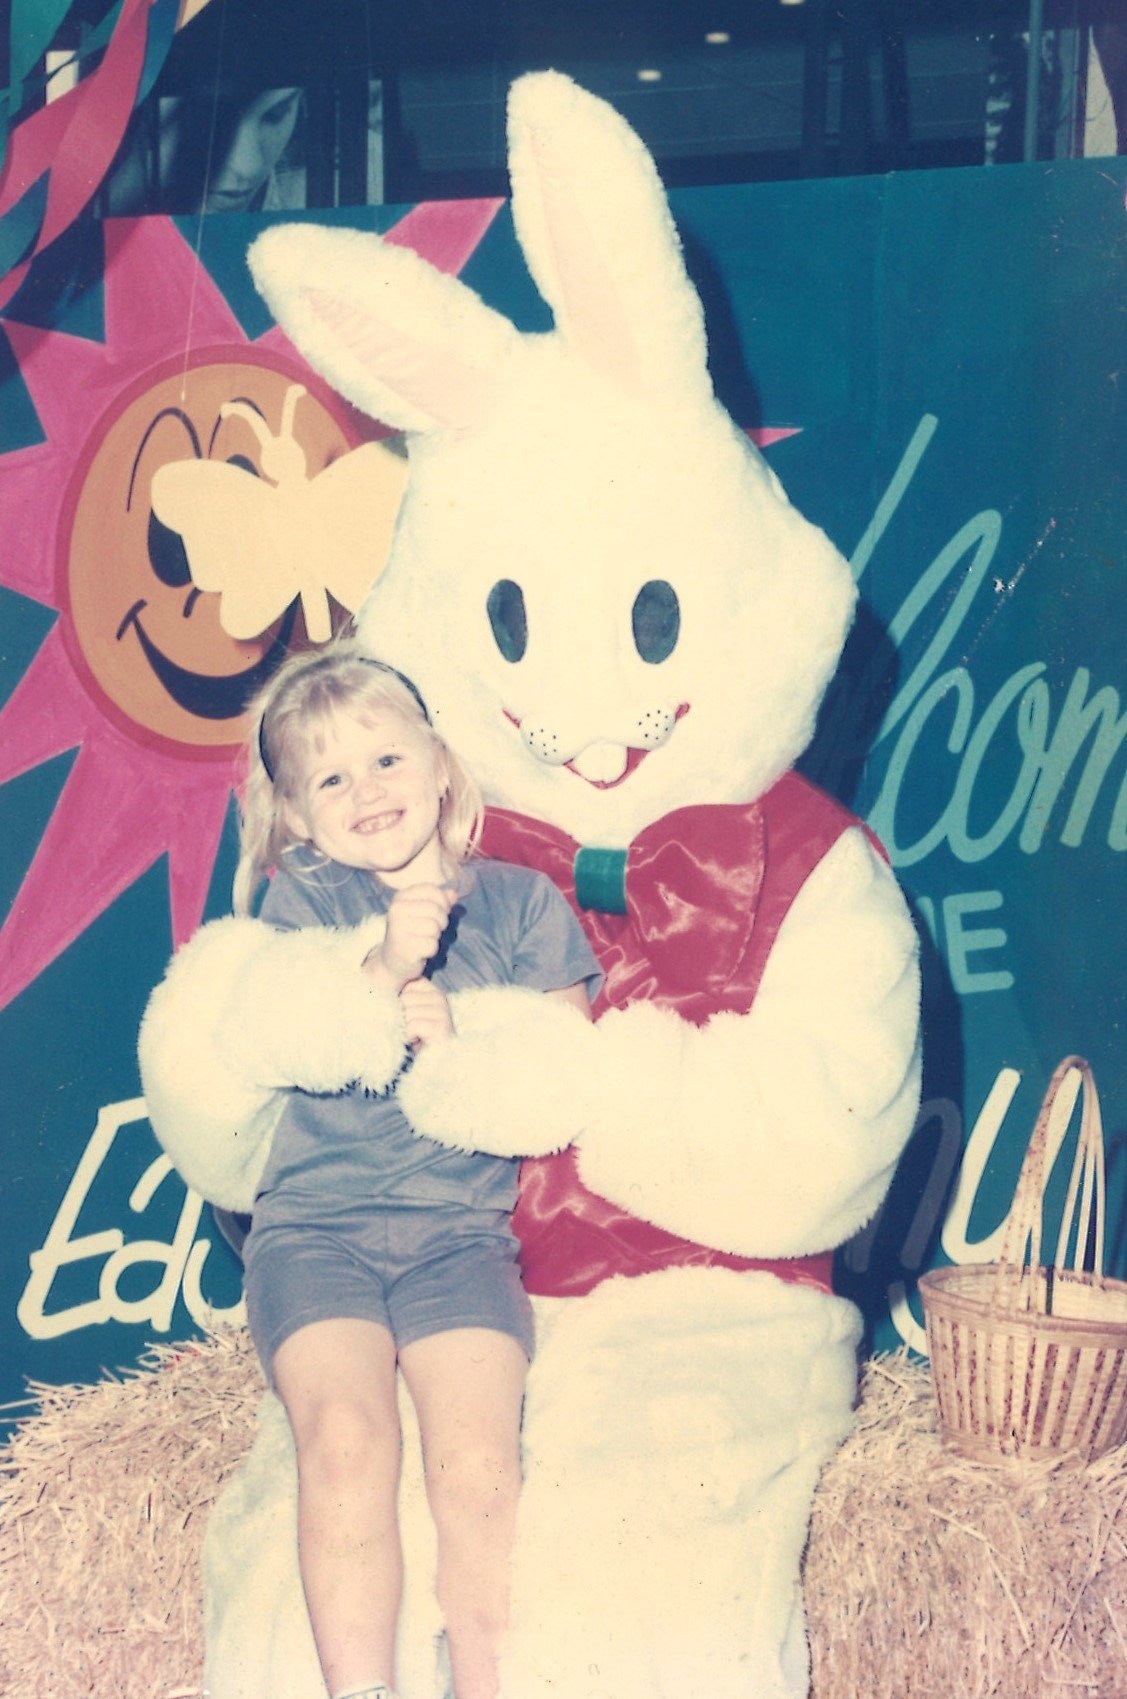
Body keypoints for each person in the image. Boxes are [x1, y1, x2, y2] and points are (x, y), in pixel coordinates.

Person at [234, 645, 601, 1699]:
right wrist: (382, 968)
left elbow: (560, 1077)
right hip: (316, 1235)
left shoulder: (524, 905)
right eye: (331, 779)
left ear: (440, 765)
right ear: (298, 817)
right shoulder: (298, 903)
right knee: (345, 1442)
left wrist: (459, 1051)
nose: (369, 792)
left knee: (478, 1468)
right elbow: (285, 1031)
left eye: (387, 758)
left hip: (458, 1240)